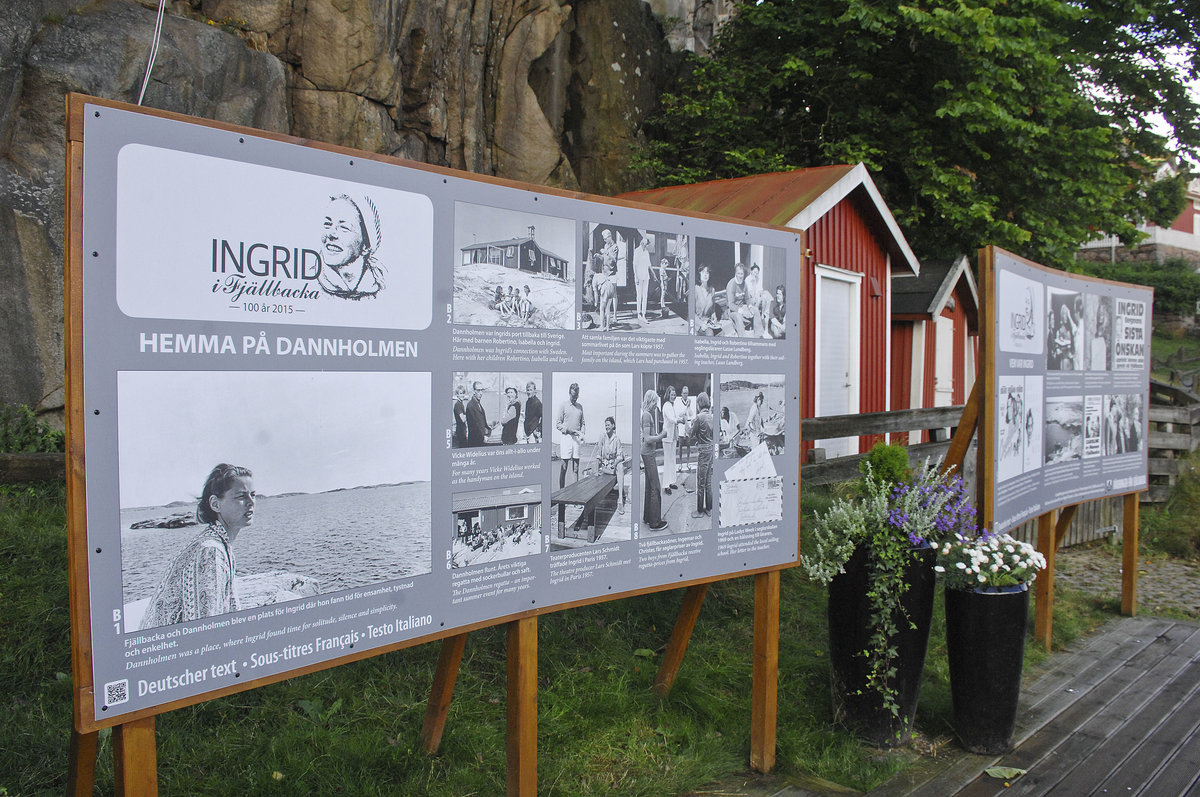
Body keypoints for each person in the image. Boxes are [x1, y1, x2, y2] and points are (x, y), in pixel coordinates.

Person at [140, 464, 255, 629]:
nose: (251, 502)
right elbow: (206, 632)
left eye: (253, 494)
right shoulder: (210, 552)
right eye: (241, 496)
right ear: (215, 504)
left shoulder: (216, 543)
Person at [317, 194, 385, 300]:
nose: (330, 234)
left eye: (344, 227)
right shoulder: (312, 283)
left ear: (366, 246)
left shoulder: (382, 285)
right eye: (328, 224)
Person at [640, 389, 669, 531]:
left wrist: (656, 434)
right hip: (648, 454)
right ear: (651, 401)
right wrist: (662, 435)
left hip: (647, 453)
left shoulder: (647, 414)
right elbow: (647, 438)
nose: (656, 405)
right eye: (655, 402)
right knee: (655, 487)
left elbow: (649, 435)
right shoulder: (646, 415)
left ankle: (647, 517)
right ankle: (655, 522)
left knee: (649, 486)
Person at [556, 382, 586, 487]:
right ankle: (561, 494)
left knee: (576, 469)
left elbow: (583, 423)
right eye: (573, 396)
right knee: (564, 467)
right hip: (566, 438)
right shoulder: (563, 405)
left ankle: (575, 495)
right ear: (569, 393)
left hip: (577, 439)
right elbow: (558, 424)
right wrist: (569, 430)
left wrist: (582, 433)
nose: (575, 398)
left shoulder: (580, 407)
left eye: (576, 396)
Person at [596, 416, 627, 515]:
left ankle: (620, 500)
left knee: (620, 467)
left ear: (613, 425)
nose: (607, 427)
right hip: (605, 466)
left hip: (613, 464)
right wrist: (597, 469)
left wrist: (614, 463)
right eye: (605, 425)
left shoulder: (617, 439)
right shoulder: (602, 437)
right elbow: (598, 454)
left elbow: (620, 455)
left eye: (608, 425)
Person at [691, 393, 714, 518]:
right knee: (708, 481)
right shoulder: (711, 416)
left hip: (703, 452)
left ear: (699, 403)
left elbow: (690, 433)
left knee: (700, 482)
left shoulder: (699, 417)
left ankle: (699, 510)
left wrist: (685, 422)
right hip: (710, 449)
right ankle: (709, 508)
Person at [726, 263, 757, 336]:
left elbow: (747, 298)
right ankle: (742, 338)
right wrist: (743, 312)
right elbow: (731, 305)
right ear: (735, 273)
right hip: (732, 310)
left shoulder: (744, 284)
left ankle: (758, 335)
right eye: (738, 273)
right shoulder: (731, 284)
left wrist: (750, 307)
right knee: (738, 316)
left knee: (755, 310)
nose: (740, 276)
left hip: (741, 307)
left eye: (742, 274)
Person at [675, 385, 696, 488]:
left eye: (687, 393)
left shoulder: (690, 401)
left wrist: (689, 407)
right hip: (681, 425)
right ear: (681, 394)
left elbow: (692, 415)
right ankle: (680, 463)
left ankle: (687, 463)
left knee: (688, 445)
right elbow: (679, 414)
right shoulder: (678, 402)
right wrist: (686, 408)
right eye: (684, 393)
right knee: (680, 446)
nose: (685, 395)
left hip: (688, 425)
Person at [661, 386, 679, 494]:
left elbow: (674, 417)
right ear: (668, 395)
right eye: (671, 394)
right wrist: (680, 420)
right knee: (667, 461)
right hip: (667, 437)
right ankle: (666, 485)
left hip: (673, 437)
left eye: (674, 394)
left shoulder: (672, 406)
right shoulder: (666, 406)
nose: (673, 396)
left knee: (672, 460)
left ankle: (671, 482)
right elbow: (672, 419)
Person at [694, 265, 722, 335]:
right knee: (710, 333)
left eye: (707, 273)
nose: (705, 275)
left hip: (708, 322)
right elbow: (691, 313)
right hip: (697, 323)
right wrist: (701, 324)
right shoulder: (695, 289)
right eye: (703, 272)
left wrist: (714, 316)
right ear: (699, 274)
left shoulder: (712, 290)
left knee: (721, 333)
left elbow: (712, 309)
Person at [633, 235, 652, 324]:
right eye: (647, 244)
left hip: (646, 276)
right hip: (639, 276)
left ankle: (644, 314)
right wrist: (636, 277)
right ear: (643, 244)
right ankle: (639, 313)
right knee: (639, 295)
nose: (647, 246)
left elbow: (649, 265)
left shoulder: (646, 252)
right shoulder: (637, 251)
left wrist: (653, 274)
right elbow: (634, 265)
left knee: (645, 295)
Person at [466, 381, 492, 446]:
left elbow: (481, 421)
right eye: (478, 390)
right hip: (475, 441)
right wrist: (484, 437)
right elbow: (475, 426)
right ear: (474, 391)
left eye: (482, 390)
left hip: (479, 440)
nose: (481, 393)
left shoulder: (477, 404)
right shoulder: (471, 406)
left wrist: (488, 430)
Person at [452, 384, 468, 449]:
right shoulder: (458, 405)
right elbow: (463, 419)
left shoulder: (460, 404)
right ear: (457, 395)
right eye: (460, 393)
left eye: (463, 393)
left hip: (462, 430)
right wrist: (470, 415)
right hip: (461, 431)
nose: (462, 395)